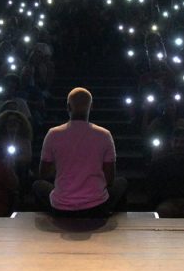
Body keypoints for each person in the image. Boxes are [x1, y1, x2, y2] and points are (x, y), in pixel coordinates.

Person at [33, 87, 126, 217]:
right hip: (96, 206)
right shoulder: (104, 135)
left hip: (62, 207)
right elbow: (110, 179)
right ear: (91, 107)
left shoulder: (53, 134)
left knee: (38, 185)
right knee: (121, 183)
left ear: (68, 107)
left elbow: (43, 173)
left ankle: (50, 221)